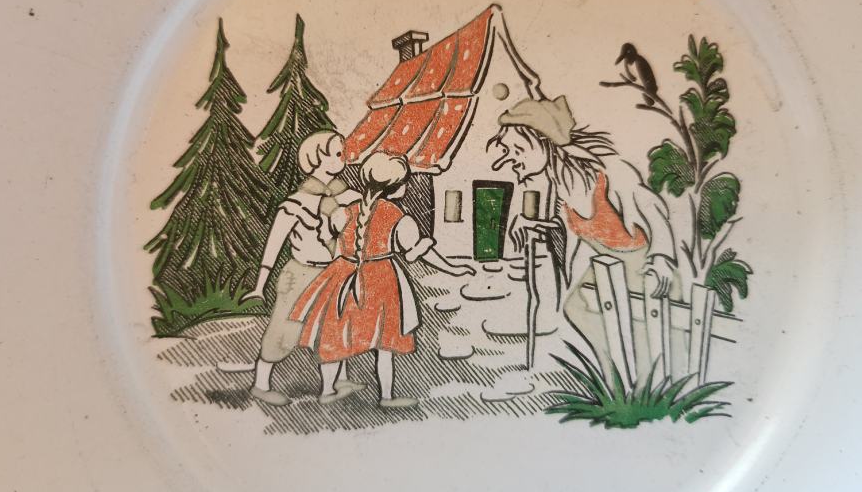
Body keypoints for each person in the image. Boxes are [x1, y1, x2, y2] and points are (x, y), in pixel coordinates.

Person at [487, 95, 677, 376]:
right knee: (577, 309)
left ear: (546, 143)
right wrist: (527, 223)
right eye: (508, 150)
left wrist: (661, 258)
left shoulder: (608, 174)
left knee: (618, 323)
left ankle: (629, 375)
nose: (510, 158)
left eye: (518, 149)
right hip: (606, 269)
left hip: (643, 268)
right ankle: (610, 374)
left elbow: (652, 209)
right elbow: (567, 232)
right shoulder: (562, 187)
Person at [289, 152, 476, 408]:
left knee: (336, 333)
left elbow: (326, 236)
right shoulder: (397, 217)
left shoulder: (344, 212)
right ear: (397, 187)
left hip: (342, 275)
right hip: (381, 280)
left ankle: (328, 390)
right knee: (384, 343)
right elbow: (420, 253)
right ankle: (386, 397)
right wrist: (453, 268)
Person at [223, 130, 362, 406]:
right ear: (316, 158)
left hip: (335, 270)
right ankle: (261, 384)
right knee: (285, 328)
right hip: (301, 273)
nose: (342, 158)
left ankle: (333, 385)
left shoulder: (349, 196)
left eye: (342, 152)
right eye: (336, 153)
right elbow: (273, 246)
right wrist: (260, 285)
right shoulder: (294, 204)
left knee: (334, 327)